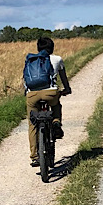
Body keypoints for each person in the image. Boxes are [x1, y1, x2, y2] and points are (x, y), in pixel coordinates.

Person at [24, 36, 71, 167]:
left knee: (32, 124)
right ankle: (56, 122)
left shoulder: (31, 60)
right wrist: (66, 90)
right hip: (51, 93)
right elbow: (64, 78)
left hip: (32, 95)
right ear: (52, 48)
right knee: (56, 105)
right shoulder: (57, 59)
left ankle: (34, 156)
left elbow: (26, 80)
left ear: (38, 48)